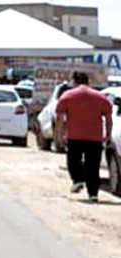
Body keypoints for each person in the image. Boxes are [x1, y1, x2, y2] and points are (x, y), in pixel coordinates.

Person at [55, 71, 113, 203]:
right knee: (93, 166)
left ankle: (78, 180)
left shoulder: (67, 96)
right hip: (95, 137)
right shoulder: (100, 97)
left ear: (74, 81)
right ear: (88, 81)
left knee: (73, 161)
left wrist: (59, 135)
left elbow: (60, 118)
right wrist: (108, 134)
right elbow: (109, 118)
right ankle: (93, 194)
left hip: (75, 136)